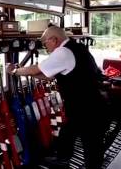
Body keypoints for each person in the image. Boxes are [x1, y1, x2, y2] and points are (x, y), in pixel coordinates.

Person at [6, 26, 109, 169]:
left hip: (89, 109)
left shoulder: (63, 52)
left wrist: (15, 71)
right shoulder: (76, 48)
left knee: (92, 148)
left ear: (54, 40)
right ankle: (63, 158)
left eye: (45, 43)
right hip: (86, 105)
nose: (45, 47)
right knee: (68, 132)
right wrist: (25, 73)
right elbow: (49, 76)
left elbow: (36, 68)